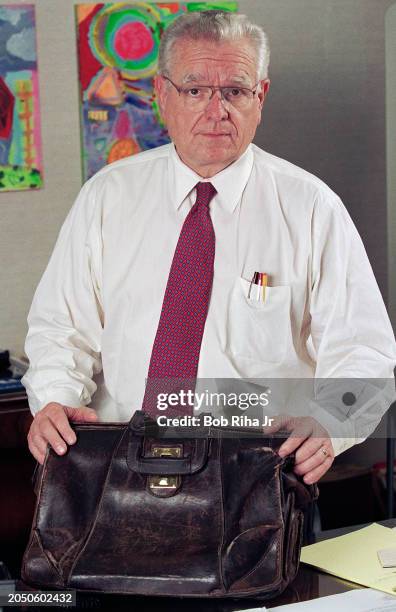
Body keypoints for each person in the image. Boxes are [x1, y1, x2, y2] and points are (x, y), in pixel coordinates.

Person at [22, 11, 396, 485]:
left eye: (235, 91)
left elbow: (365, 352)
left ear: (260, 97)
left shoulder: (311, 208)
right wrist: (55, 398)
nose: (215, 110)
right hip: (118, 469)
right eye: (195, 90)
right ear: (162, 95)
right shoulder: (106, 197)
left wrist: (331, 426)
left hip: (256, 477)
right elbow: (61, 327)